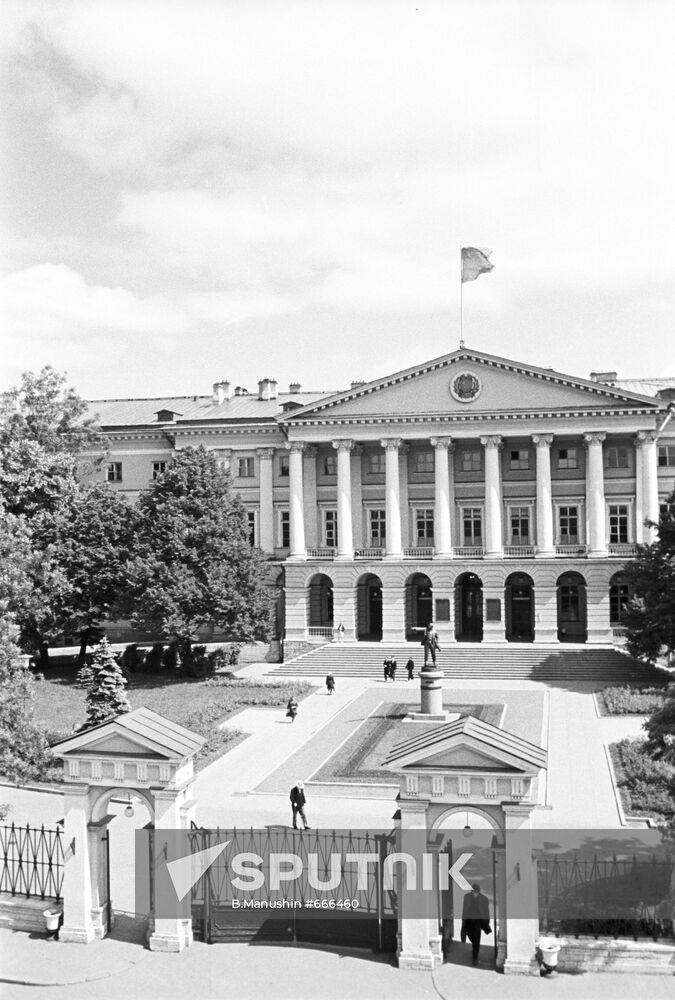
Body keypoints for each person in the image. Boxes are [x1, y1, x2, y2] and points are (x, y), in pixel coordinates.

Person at [461, 882, 491, 965]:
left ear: (478, 892)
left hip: (478, 922)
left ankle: (475, 958)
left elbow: (486, 912)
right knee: (471, 936)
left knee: (477, 940)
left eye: (475, 892)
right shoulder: (467, 897)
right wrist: (463, 920)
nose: (474, 894)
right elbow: (464, 909)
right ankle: (474, 944)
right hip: (469, 921)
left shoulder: (484, 899)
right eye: (472, 892)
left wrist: (487, 922)